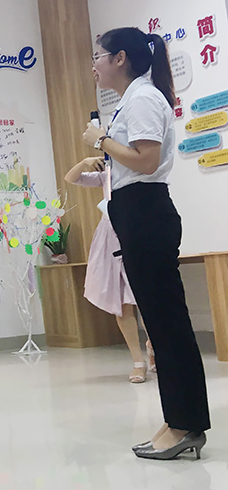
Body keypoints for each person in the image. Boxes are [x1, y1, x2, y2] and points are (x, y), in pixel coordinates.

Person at [83, 27, 209, 460]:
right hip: (137, 213)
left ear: (120, 58)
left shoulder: (141, 99)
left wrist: (100, 140)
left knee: (167, 326)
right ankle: (177, 420)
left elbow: (147, 160)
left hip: (146, 212)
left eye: (97, 56)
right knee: (161, 324)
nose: (94, 66)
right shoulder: (134, 99)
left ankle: (185, 424)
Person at [64, 159, 156, 382]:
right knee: (121, 302)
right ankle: (138, 361)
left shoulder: (145, 169)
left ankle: (154, 347)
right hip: (112, 237)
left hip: (141, 231)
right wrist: (85, 162)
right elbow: (71, 178)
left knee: (149, 299)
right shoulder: (107, 175)